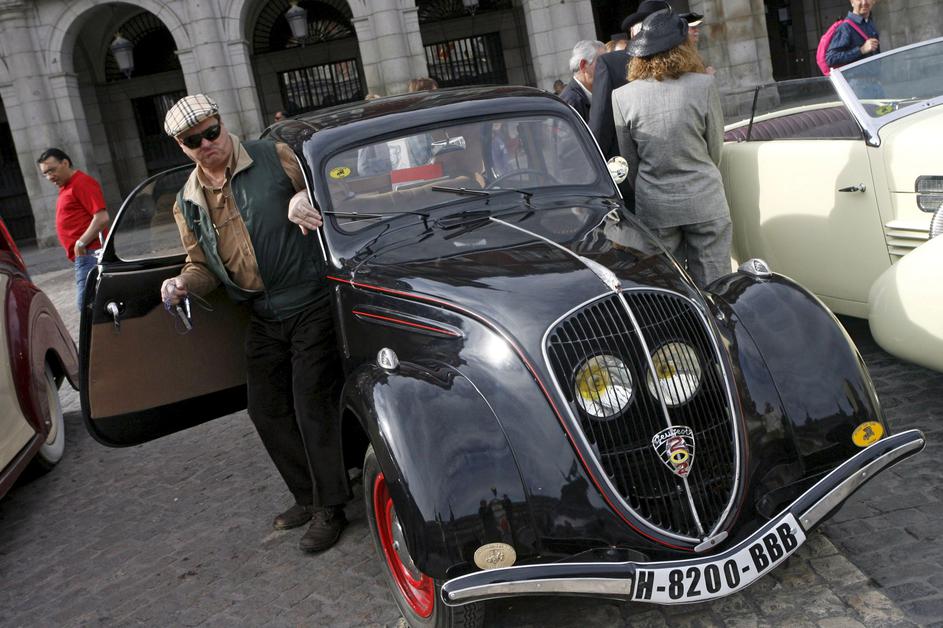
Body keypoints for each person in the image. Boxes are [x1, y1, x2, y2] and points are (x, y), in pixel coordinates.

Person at [159, 94, 350, 553]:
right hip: (262, 313)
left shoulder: (273, 155)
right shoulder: (187, 201)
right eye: (194, 140)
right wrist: (182, 283)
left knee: (311, 402)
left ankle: (331, 507)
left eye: (212, 131)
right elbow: (201, 266)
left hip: (310, 299)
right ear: (182, 147)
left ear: (221, 123)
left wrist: (304, 196)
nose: (208, 143)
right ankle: (308, 495)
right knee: (265, 408)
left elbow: (330, 191)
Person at [612, 10, 731, 289]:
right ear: (683, 48)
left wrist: (651, 185)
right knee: (715, 285)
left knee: (669, 288)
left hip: (655, 204)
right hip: (704, 197)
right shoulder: (704, 85)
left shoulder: (622, 96)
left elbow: (630, 162)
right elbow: (715, 148)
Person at [589, 0, 670, 161]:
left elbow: (600, 129)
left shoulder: (611, 64)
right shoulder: (612, 65)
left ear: (633, 32)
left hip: (636, 165)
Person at [37, 148, 110, 310]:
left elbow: (102, 218)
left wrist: (80, 243)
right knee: (92, 307)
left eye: (52, 170)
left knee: (87, 308)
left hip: (91, 254)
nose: (49, 177)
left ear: (65, 163)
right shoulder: (67, 187)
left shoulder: (81, 182)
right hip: (84, 256)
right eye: (45, 174)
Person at [559, 40, 606, 122]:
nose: (606, 69)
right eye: (603, 63)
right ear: (583, 65)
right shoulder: (571, 102)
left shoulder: (594, 93)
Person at [825, 0, 880, 70]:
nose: (864, 2)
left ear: (873, 1)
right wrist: (861, 50)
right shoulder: (845, 27)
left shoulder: (869, 23)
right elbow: (831, 58)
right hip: (856, 77)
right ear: (852, 2)